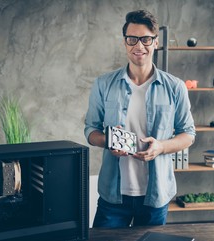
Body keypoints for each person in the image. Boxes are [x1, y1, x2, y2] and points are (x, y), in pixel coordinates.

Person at [84, 10, 195, 228]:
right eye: (132, 39)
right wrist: (108, 141)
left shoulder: (175, 87)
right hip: (113, 196)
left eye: (145, 39)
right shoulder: (103, 84)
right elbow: (90, 130)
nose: (139, 46)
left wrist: (161, 147)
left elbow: (188, 134)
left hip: (155, 196)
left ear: (155, 42)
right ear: (125, 42)